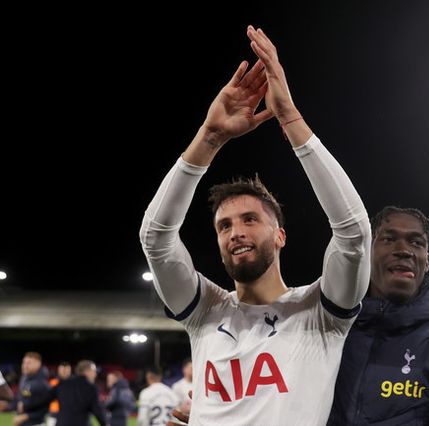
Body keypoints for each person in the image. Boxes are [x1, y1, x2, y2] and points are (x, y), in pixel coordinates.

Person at [139, 25, 370, 425]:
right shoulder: (205, 311)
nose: (236, 232)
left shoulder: (321, 312)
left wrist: (290, 118)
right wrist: (210, 137)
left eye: (250, 219)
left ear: (280, 236)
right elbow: (155, 238)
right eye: (224, 226)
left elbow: (354, 234)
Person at [328, 206, 429, 424]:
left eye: (416, 243)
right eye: (389, 239)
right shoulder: (329, 330)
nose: (404, 250)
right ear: (367, 252)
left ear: (427, 262)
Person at [50, 360, 106, 426]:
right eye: (94, 371)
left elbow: (44, 399)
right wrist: (104, 423)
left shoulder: (63, 383)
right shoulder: (91, 388)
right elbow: (98, 411)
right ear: (87, 371)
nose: (95, 374)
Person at [13, 351, 50, 426]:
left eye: (28, 363)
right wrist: (7, 406)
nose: (25, 366)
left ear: (38, 364)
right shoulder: (24, 378)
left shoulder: (42, 384)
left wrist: (26, 416)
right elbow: (20, 398)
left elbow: (45, 409)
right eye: (24, 362)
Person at [46, 362, 71, 426]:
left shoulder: (73, 383)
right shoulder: (53, 382)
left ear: (70, 371)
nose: (64, 372)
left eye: (66, 370)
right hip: (54, 413)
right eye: (63, 370)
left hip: (69, 414)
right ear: (59, 370)